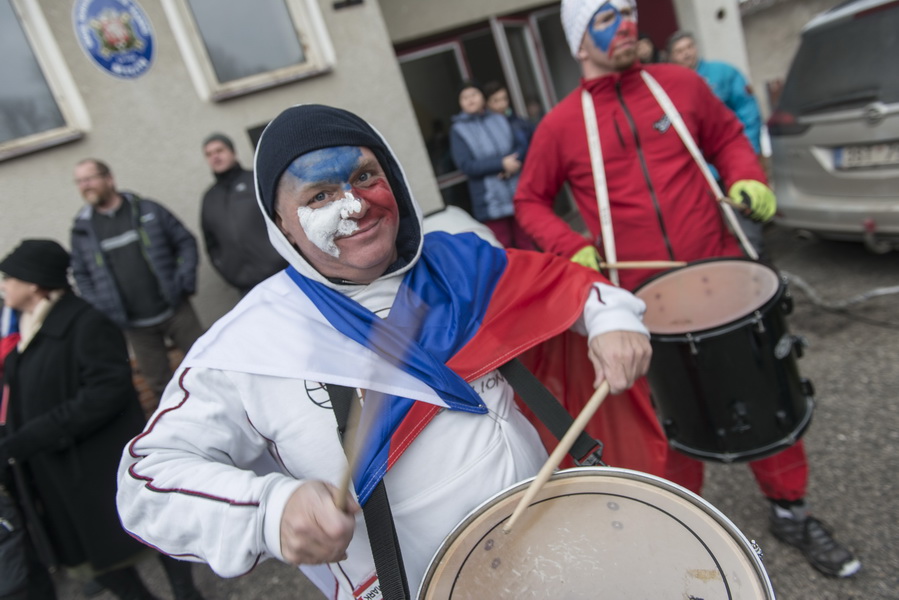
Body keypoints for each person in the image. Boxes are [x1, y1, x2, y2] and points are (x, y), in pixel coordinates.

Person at [115, 104, 662, 598]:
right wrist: (267, 510)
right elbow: (145, 483)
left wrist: (611, 319)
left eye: (364, 177)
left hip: (560, 555)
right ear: (281, 225)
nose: (355, 205)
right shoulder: (250, 343)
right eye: (319, 196)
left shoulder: (461, 264)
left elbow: (570, 287)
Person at [513, 0, 860, 578]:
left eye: (627, 11)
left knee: (764, 395)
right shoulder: (561, 125)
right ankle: (683, 529)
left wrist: (746, 176)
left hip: (722, 279)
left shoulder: (680, 85)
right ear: (579, 41)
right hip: (642, 303)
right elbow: (529, 200)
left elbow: (728, 138)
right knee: (668, 423)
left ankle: (791, 511)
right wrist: (568, 244)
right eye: (605, 17)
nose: (626, 23)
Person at [0, 239, 203, 600]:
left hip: (100, 463)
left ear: (33, 283)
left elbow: (106, 391)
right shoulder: (25, 330)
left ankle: (185, 593)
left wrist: (35, 434)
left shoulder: (86, 322)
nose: (3, 286)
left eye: (8, 278)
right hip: (61, 471)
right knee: (101, 562)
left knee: (152, 532)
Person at [70, 159, 205, 405]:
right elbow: (81, 275)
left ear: (109, 178)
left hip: (176, 311)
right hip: (135, 326)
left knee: (206, 364)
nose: (84, 186)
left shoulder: (146, 210)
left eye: (89, 179)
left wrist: (183, 281)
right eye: (79, 181)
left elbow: (185, 242)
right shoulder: (83, 229)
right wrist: (103, 309)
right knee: (160, 387)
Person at [667, 30, 766, 254]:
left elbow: (748, 113)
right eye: (680, 51)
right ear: (671, 57)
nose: (686, 54)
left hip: (729, 170)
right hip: (697, 178)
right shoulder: (667, 88)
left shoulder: (723, 73)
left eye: (689, 47)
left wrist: (746, 156)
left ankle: (757, 264)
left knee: (747, 230)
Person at [449, 81, 535, 249]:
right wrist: (501, 164)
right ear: (460, 103)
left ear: (483, 97)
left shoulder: (499, 119)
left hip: (516, 192)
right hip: (490, 201)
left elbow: (519, 146)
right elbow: (466, 165)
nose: (470, 100)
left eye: (474, 94)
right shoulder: (458, 130)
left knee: (528, 243)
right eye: (464, 97)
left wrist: (513, 164)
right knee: (503, 249)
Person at [200, 133, 288, 295]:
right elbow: (211, 243)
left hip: (283, 273)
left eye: (219, 150)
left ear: (233, 152)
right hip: (246, 287)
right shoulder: (209, 198)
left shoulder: (256, 180)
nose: (215, 157)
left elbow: (284, 217)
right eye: (209, 154)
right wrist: (229, 272)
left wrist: (282, 258)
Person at [483, 80, 535, 145]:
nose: (502, 104)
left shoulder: (519, 121)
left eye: (504, 99)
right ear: (487, 103)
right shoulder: (486, 127)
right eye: (496, 101)